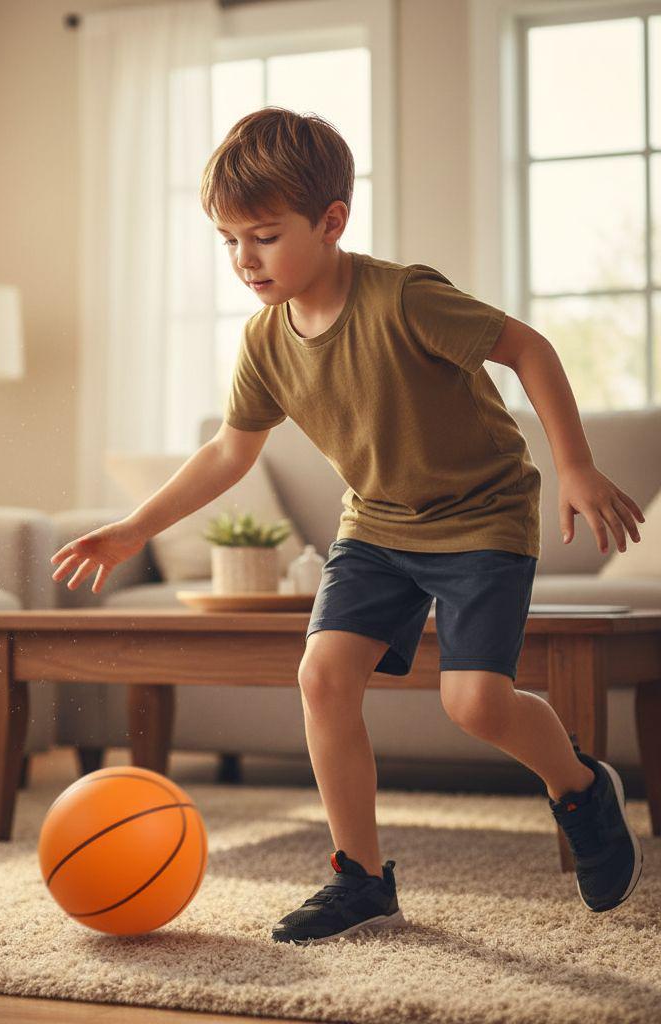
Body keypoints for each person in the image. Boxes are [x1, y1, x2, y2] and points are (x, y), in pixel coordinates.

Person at [49, 107, 646, 944]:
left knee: (475, 702)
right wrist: (133, 528)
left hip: (483, 516)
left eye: (261, 235)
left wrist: (575, 465)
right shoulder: (264, 342)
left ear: (332, 222)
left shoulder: (404, 297)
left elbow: (530, 350)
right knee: (322, 677)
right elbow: (229, 453)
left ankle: (581, 786)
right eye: (228, 240)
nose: (243, 260)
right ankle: (360, 878)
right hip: (376, 527)